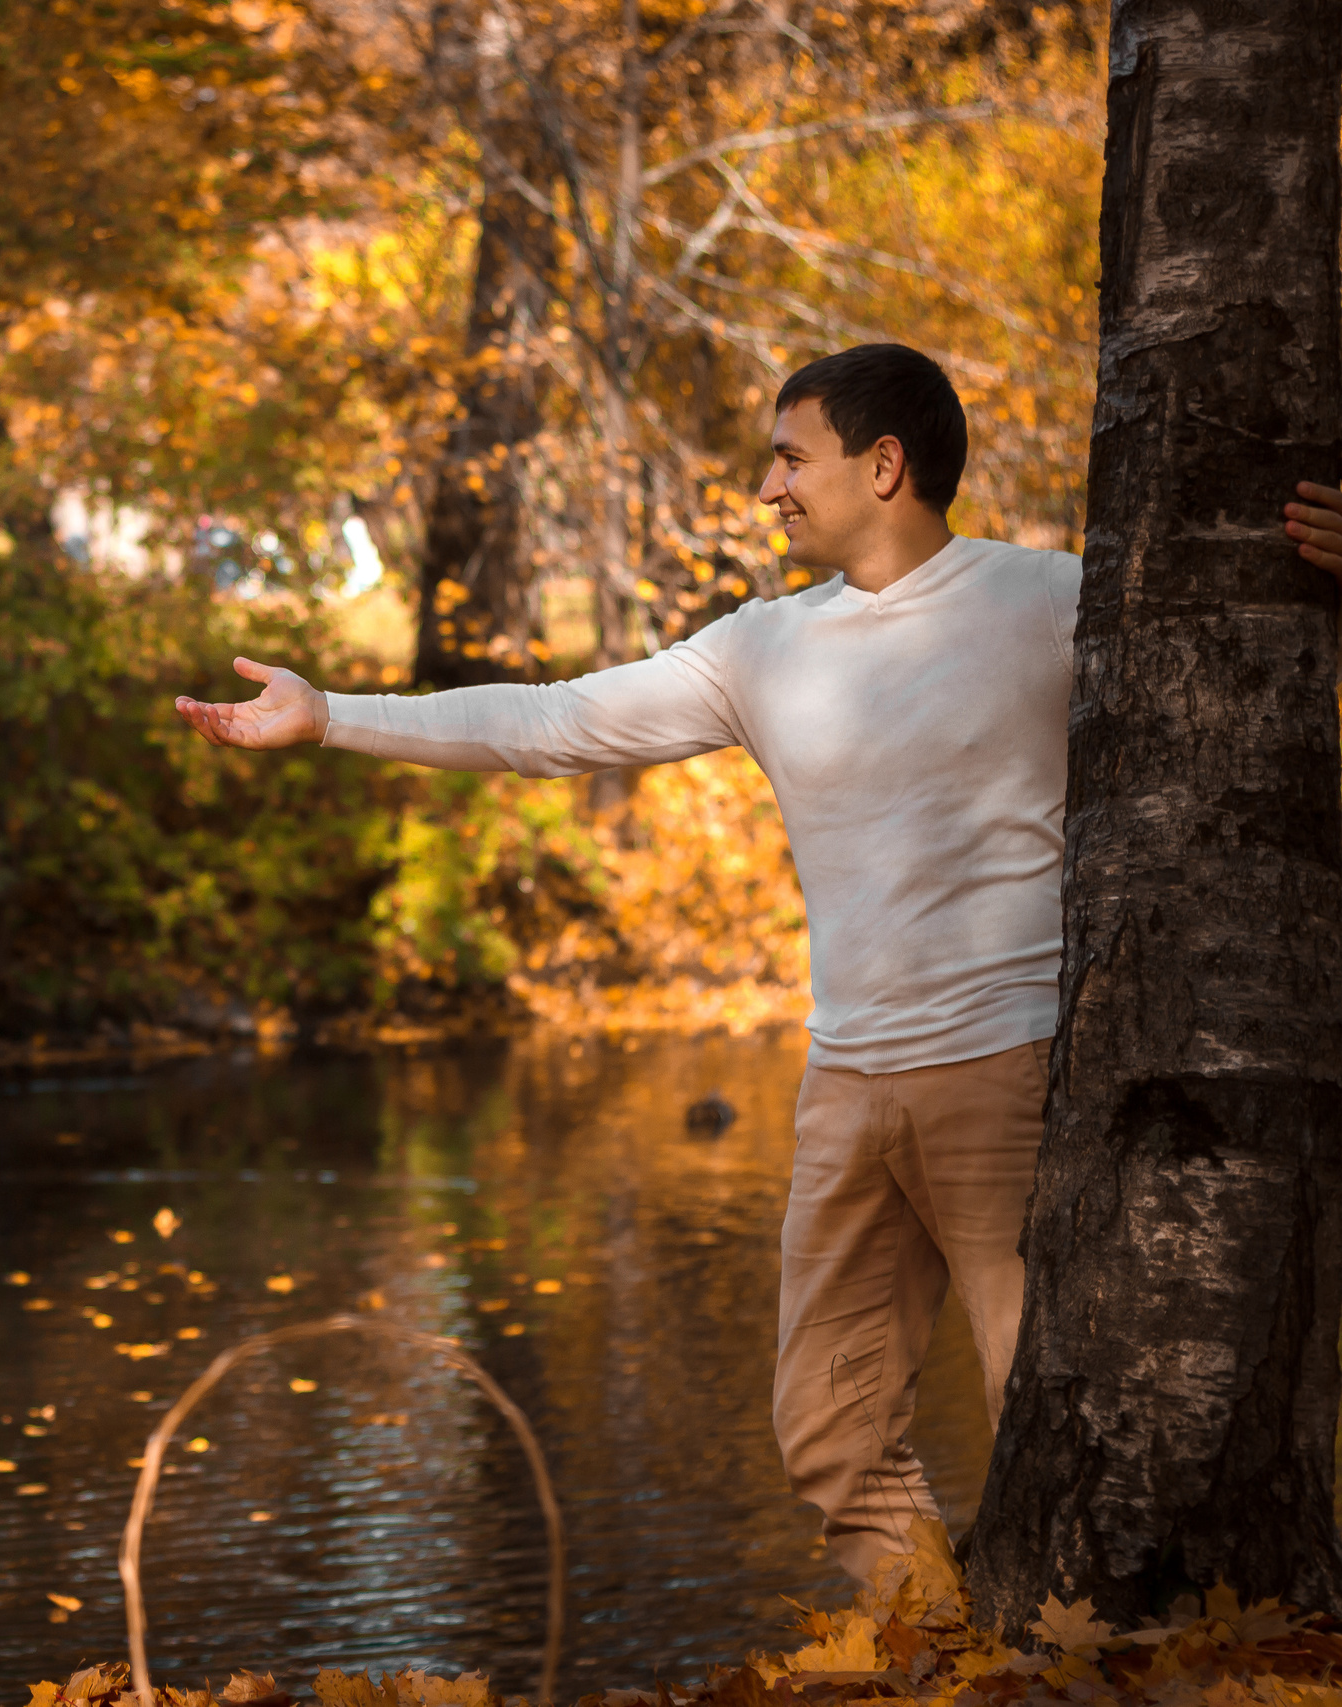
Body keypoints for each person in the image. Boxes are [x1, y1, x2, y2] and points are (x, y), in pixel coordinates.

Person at [172, 342, 1342, 1584]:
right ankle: (930, 1650)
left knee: (1046, 1415)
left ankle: (1073, 1652)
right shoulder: (761, 649)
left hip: (1003, 1067)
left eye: (790, 458)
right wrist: (331, 715)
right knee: (829, 1431)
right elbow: (552, 722)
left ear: (882, 466)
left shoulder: (1054, 598)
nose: (768, 488)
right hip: (845, 1083)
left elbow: (1247, 656)